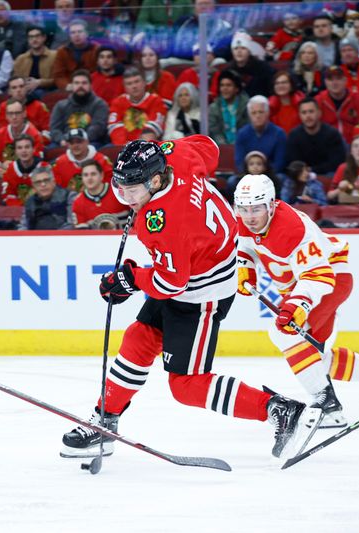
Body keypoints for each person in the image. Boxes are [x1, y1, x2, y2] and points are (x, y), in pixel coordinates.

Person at [61, 137, 320, 461]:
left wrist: (129, 278)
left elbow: (169, 283)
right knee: (138, 339)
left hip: (202, 292)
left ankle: (281, 410)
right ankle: (105, 423)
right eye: (121, 186)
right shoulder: (176, 154)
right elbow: (208, 147)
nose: (125, 196)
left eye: (133, 189)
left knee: (187, 385)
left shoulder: (165, 222)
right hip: (195, 265)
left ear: (156, 181)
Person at [234, 173, 359, 430]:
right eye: (243, 208)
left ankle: (329, 406)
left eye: (256, 208)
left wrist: (296, 304)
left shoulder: (293, 229)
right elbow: (246, 245)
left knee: (284, 334)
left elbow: (319, 276)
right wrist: (246, 268)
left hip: (331, 278)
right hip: (302, 285)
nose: (249, 216)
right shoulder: (246, 219)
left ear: (272, 204)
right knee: (313, 355)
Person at [286, 99, 346, 176]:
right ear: (299, 115)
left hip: (327, 174)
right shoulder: (294, 135)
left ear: (319, 113)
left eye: (311, 111)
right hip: (301, 175)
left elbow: (336, 163)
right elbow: (293, 163)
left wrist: (312, 170)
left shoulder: (332, 134)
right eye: (304, 112)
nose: (308, 116)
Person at [107, 68, 167, 145]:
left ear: (144, 83)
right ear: (124, 87)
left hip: (148, 145)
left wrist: (139, 145)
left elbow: (152, 129)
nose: (134, 86)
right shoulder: (118, 102)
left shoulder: (156, 101)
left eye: (137, 82)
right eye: (129, 83)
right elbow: (114, 127)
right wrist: (126, 146)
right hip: (123, 145)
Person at [49, 70, 109, 147]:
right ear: (72, 85)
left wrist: (80, 141)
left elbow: (98, 127)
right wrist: (63, 140)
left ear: (91, 85)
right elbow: (54, 129)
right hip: (65, 142)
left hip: (91, 142)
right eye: (77, 83)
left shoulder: (100, 104)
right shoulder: (60, 105)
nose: (80, 86)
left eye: (84, 83)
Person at [0, 99, 44, 177]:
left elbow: (37, 161)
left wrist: (12, 166)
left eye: (17, 113)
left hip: (28, 175)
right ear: (6, 116)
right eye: (10, 113)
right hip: (4, 173)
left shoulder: (35, 135)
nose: (14, 117)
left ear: (24, 114)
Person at [234, 95, 288, 175]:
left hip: (272, 176)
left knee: (281, 178)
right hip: (248, 175)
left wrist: (262, 176)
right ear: (249, 115)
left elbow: (280, 163)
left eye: (261, 112)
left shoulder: (279, 134)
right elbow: (239, 162)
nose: (257, 116)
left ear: (268, 113)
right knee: (232, 181)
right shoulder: (242, 133)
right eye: (254, 113)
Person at [315, 65, 359, 143]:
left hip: (353, 146)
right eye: (330, 79)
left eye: (338, 79)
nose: (334, 83)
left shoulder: (357, 99)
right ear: (325, 82)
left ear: (345, 81)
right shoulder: (318, 100)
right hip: (326, 146)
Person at [71, 158, 129, 229]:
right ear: (82, 178)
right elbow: (80, 232)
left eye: (93, 174)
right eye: (85, 175)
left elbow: (135, 217)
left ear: (101, 175)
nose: (89, 178)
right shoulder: (78, 202)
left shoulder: (118, 192)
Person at [19, 165, 75, 230]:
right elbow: (23, 226)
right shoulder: (29, 202)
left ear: (53, 182)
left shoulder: (68, 196)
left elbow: (71, 224)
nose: (43, 185)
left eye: (46, 180)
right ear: (34, 187)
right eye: (38, 182)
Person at [51, 19, 99, 91]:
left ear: (87, 33)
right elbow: (58, 75)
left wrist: (91, 85)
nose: (76, 35)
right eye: (73, 32)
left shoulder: (97, 49)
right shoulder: (62, 51)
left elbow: (100, 73)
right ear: (69, 35)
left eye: (80, 32)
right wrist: (67, 85)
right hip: (70, 87)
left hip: (92, 86)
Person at [329, 135, 359, 204]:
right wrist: (341, 189)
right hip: (347, 207)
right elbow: (329, 196)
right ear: (351, 151)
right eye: (355, 146)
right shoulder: (343, 167)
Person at [1, 133, 47, 206]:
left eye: (27, 147)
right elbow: (8, 196)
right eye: (20, 148)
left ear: (33, 149)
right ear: (15, 151)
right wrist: (21, 209)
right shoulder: (10, 169)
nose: (24, 151)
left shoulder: (44, 168)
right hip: (17, 212)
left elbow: (48, 196)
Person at [208, 69, 249, 145]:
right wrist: (225, 147)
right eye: (222, 85)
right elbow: (214, 131)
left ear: (236, 89)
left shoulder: (247, 106)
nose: (224, 88)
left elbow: (248, 129)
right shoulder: (213, 108)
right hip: (221, 147)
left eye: (228, 85)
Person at [227, 32, 275, 98]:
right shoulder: (229, 70)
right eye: (236, 48)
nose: (239, 51)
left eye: (243, 48)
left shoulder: (262, 67)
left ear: (249, 51)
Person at [11, 26, 57, 94]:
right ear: (28, 40)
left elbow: (58, 79)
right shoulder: (21, 59)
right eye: (31, 37)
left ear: (44, 38)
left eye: (37, 36)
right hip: (24, 90)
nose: (34, 39)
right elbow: (14, 79)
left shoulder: (55, 56)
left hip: (47, 91)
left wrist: (39, 82)